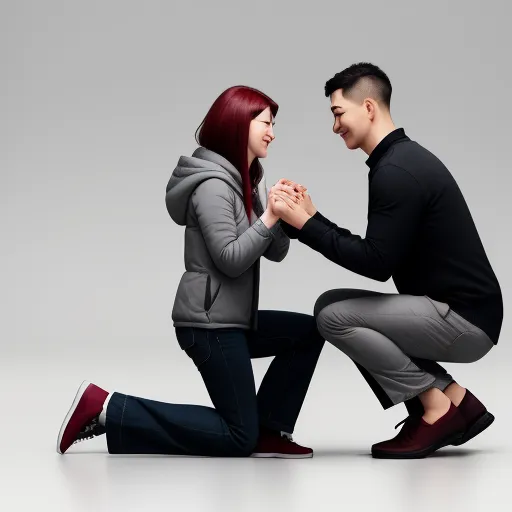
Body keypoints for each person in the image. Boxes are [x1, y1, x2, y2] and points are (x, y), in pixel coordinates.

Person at [56, 85, 325, 458]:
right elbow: (230, 258)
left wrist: (279, 210)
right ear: (238, 124)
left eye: (273, 124)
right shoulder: (213, 186)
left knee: (310, 331)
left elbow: (275, 253)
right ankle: (107, 407)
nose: (272, 132)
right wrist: (268, 217)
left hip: (234, 319)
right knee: (236, 437)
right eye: (265, 123)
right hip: (207, 324)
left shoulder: (247, 181)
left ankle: (268, 429)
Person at [271, 63, 503, 459]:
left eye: (338, 113)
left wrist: (307, 224)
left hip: (465, 320)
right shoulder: (399, 160)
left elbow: (377, 264)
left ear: (369, 107)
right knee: (330, 304)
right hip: (461, 311)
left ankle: (435, 408)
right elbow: (383, 252)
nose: (335, 126)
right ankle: (456, 398)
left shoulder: (395, 170)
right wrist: (310, 221)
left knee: (333, 317)